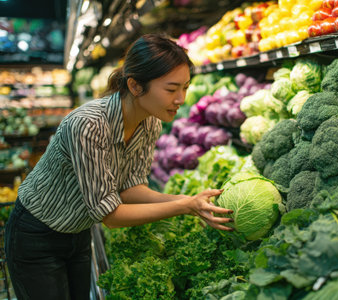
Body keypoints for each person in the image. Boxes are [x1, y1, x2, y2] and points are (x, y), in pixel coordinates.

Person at [4, 33, 234, 300]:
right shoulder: (88, 124)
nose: (180, 98)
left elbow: (130, 188)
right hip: (36, 234)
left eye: (185, 87)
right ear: (136, 86)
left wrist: (188, 201)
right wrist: (183, 206)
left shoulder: (150, 122)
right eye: (171, 89)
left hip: (77, 231)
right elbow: (110, 215)